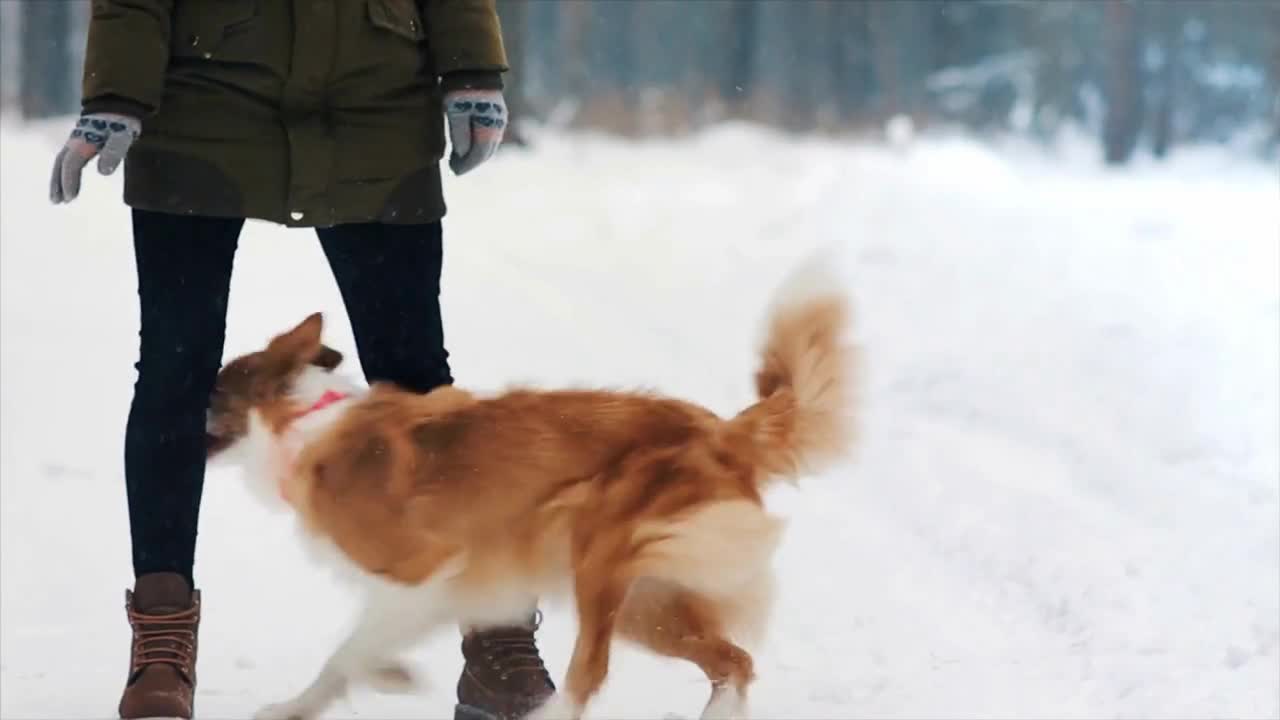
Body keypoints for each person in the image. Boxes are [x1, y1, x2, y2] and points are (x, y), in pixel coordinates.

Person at [48, 2, 553, 719]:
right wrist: (116, 94)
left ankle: (497, 628)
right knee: (173, 371)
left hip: (374, 99)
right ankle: (161, 641)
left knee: (414, 381)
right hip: (203, 96)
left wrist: (472, 67)